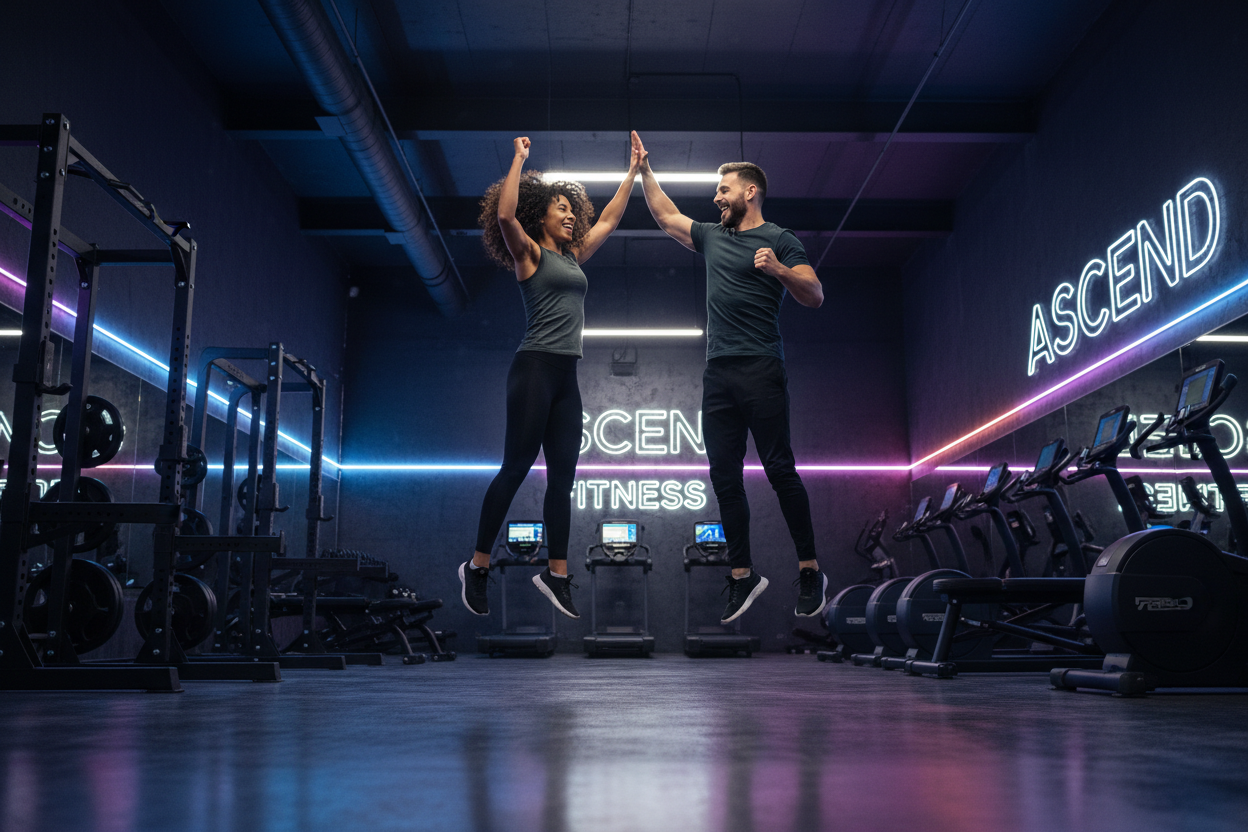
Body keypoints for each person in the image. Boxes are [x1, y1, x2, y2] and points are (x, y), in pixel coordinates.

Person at [631, 130, 827, 624]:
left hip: (761, 367)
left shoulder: (778, 239)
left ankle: (809, 570)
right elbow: (667, 216)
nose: (716, 197)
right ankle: (742, 576)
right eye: (717, 191)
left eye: (724, 189)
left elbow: (815, 294)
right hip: (718, 373)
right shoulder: (713, 237)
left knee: (780, 470)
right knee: (724, 477)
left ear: (750, 192)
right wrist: (645, 172)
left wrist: (780, 270)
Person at [459, 136, 642, 619]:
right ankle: (477, 565)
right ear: (540, 215)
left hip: (567, 375)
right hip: (535, 368)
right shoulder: (530, 257)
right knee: (515, 468)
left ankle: (556, 574)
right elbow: (504, 218)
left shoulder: (573, 257)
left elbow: (609, 220)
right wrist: (519, 161)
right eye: (559, 208)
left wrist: (634, 172)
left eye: (570, 209)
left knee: (563, 480)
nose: (568, 215)